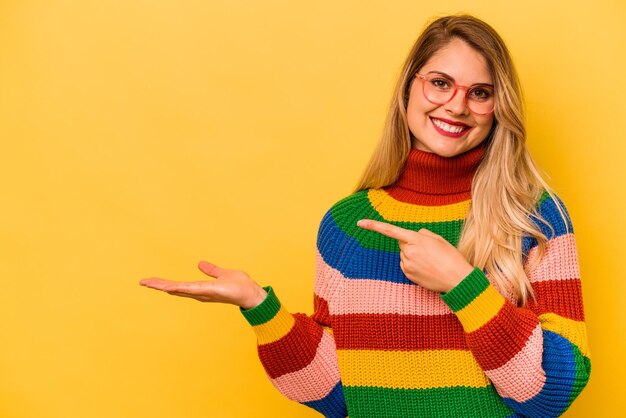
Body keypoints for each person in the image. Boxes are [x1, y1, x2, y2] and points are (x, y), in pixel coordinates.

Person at [140, 14, 591, 418]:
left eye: (480, 93)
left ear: (499, 108)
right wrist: (260, 306)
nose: (456, 105)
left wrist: (462, 284)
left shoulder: (535, 217)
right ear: (409, 87)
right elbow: (339, 392)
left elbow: (553, 394)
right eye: (440, 83)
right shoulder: (347, 225)